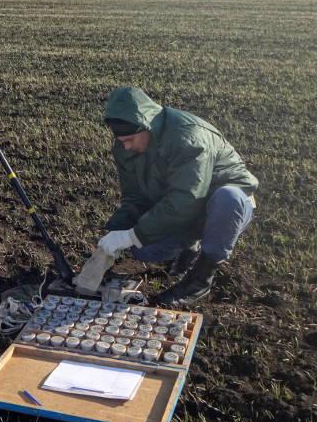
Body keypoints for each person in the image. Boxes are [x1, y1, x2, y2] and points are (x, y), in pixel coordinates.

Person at [96, 87, 258, 306]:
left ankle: (200, 279)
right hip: (184, 208)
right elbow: (134, 198)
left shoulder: (188, 137)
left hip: (223, 206)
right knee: (144, 249)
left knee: (228, 199)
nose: (126, 146)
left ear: (146, 126)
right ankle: (189, 245)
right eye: (121, 141)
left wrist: (134, 234)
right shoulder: (126, 146)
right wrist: (116, 232)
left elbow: (186, 199)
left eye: (130, 140)